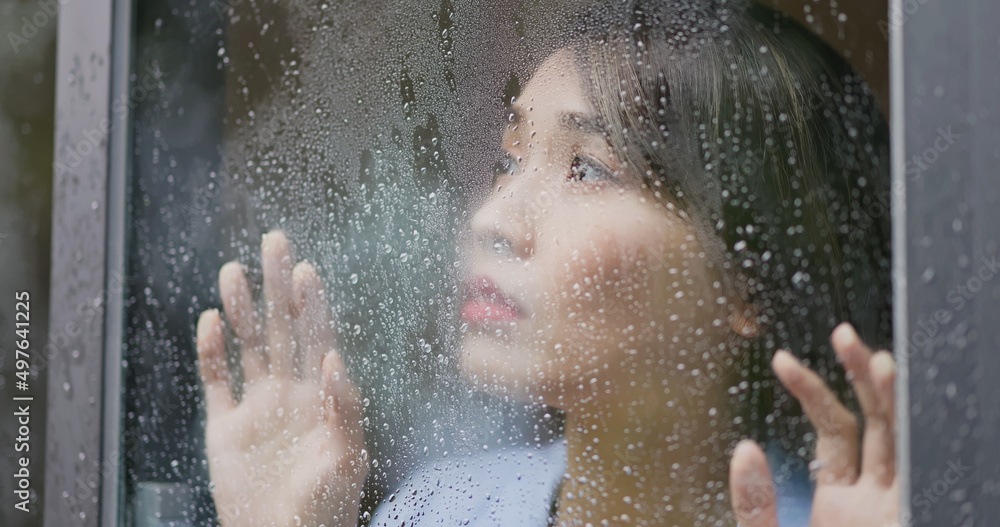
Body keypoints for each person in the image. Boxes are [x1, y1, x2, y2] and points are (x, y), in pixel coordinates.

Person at [196, 1, 898, 525]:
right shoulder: (442, 509)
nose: (492, 219)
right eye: (509, 160)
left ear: (745, 277)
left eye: (587, 170)